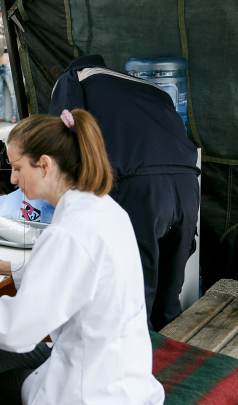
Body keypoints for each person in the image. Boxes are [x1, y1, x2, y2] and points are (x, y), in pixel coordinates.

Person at [0, 110, 165, 404]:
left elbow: (14, 331)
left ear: (45, 165)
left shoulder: (67, 234)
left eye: (17, 168)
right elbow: (77, 273)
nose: (12, 178)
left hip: (92, 389)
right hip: (122, 370)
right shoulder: (104, 208)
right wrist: (10, 267)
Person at [48, 54, 200, 331]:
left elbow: (63, 141)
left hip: (142, 188)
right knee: (168, 302)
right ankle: (173, 370)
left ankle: (137, 370)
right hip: (188, 183)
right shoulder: (142, 86)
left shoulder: (74, 78)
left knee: (136, 300)